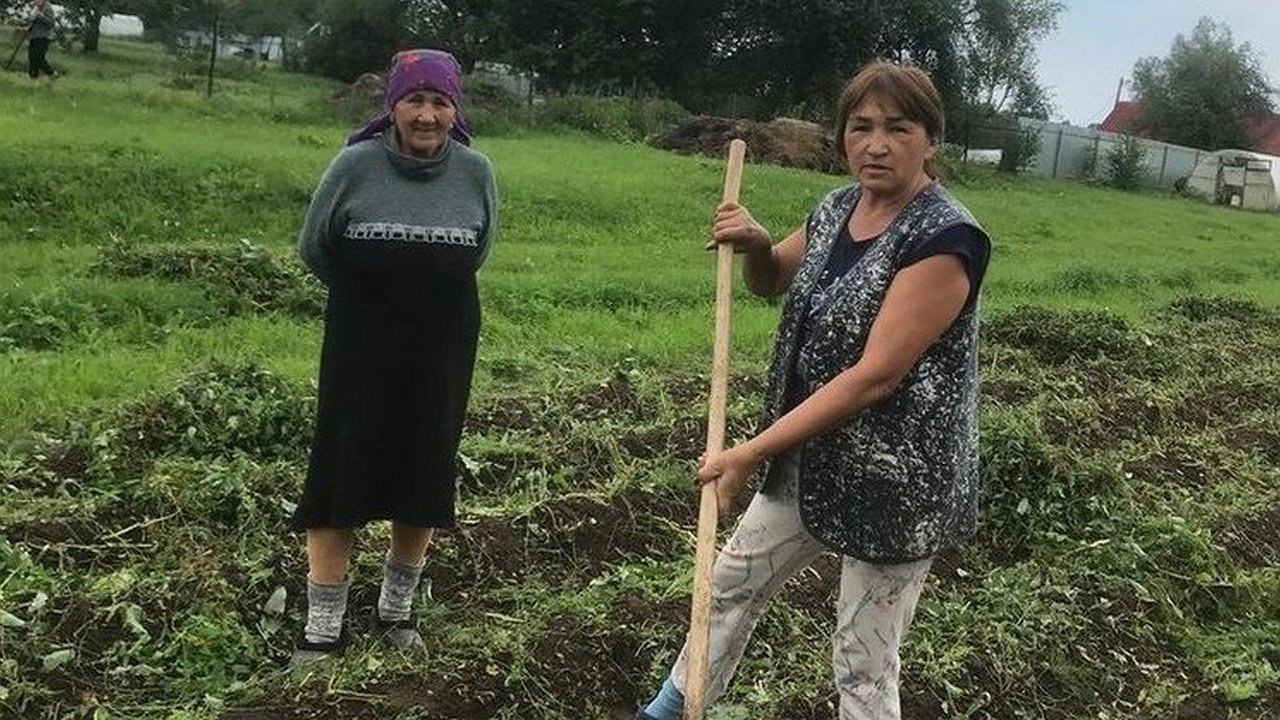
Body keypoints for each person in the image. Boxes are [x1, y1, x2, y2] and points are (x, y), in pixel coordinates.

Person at [636, 60, 991, 720]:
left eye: (898, 128)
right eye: (861, 127)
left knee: (863, 659)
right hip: (813, 458)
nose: (876, 144)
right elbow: (772, 280)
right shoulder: (837, 208)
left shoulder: (945, 239)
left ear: (931, 140)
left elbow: (875, 376)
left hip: (897, 483)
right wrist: (756, 244)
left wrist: (749, 452)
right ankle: (667, 711)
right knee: (729, 585)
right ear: (842, 136)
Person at [290, 48, 498, 665]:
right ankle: (323, 626)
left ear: (454, 109)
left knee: (423, 471)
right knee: (340, 471)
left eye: (439, 102)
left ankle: (395, 610)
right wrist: (377, 294)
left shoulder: (476, 171)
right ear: (393, 106)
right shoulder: (354, 165)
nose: (427, 115)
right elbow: (314, 248)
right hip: (360, 345)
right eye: (414, 100)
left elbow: (479, 249)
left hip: (442, 346)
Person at [25, 0, 56, 80]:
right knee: (31, 57)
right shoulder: (35, 9)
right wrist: (26, 21)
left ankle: (51, 73)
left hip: (43, 36)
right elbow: (30, 21)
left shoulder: (48, 9)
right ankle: (33, 77)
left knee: (38, 57)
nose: (37, 1)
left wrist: (40, 16)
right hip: (33, 36)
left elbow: (51, 23)